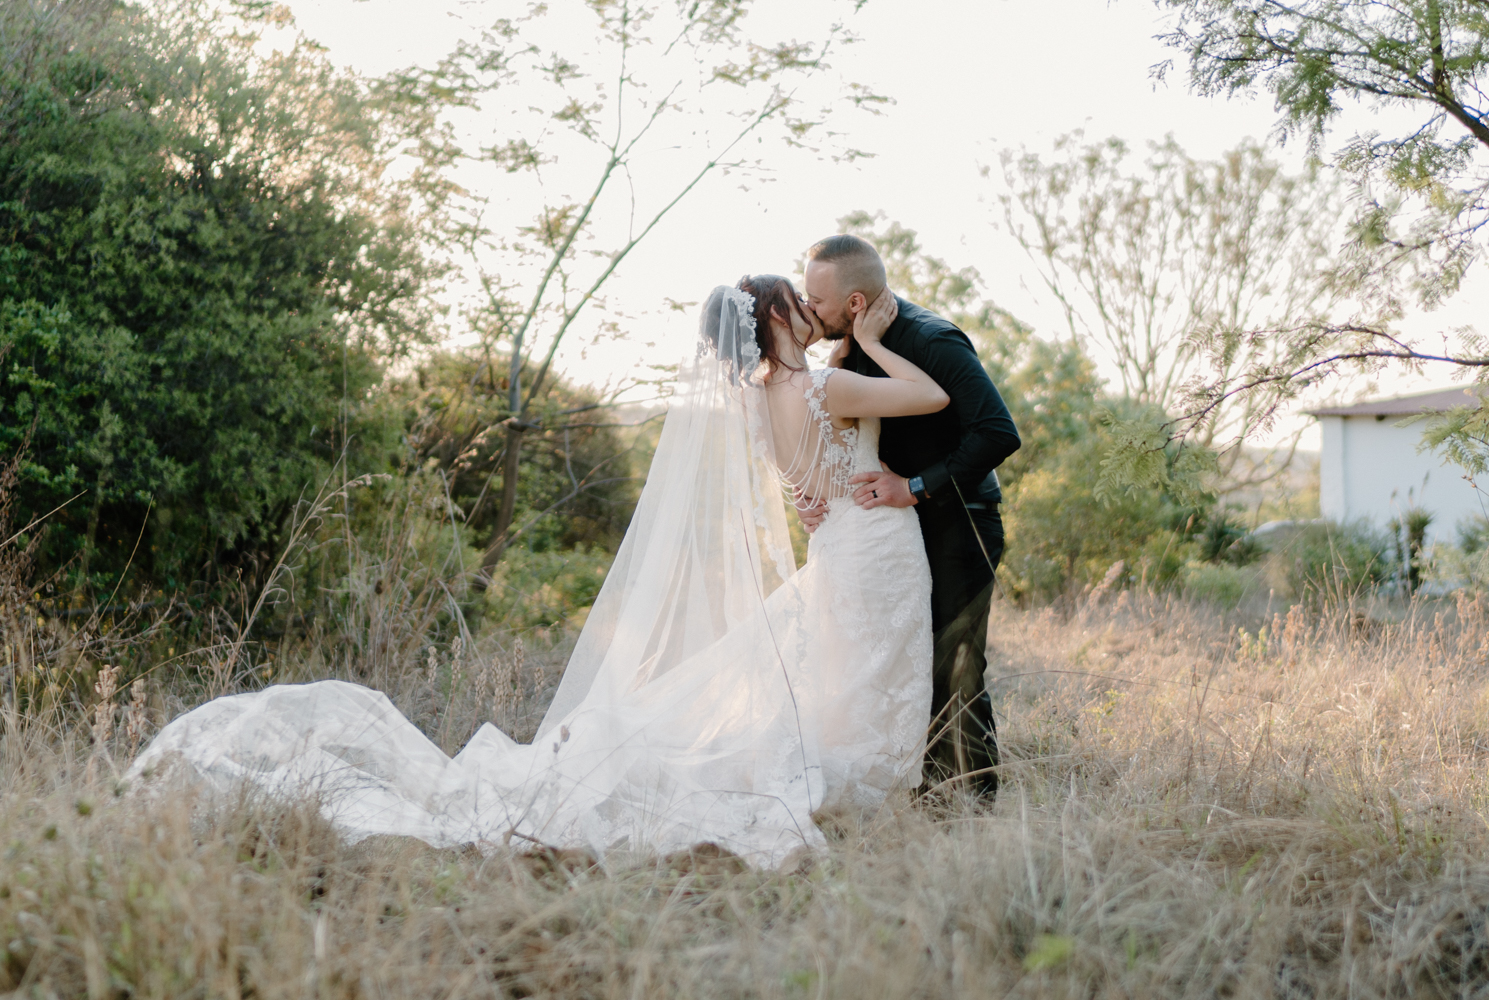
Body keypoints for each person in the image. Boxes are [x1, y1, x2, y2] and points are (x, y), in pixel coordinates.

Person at [129, 277, 951, 868]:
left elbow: (808, 481)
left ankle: (854, 786)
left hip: (838, 542)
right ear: (774, 315)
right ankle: (874, 792)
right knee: (851, 672)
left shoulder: (757, 401)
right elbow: (930, 396)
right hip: (861, 544)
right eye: (798, 301)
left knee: (835, 671)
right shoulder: (826, 385)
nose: (811, 311)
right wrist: (877, 343)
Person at [800, 235, 1021, 795]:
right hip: (895, 527)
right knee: (910, 656)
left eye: (816, 301)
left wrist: (916, 487)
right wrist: (813, 495)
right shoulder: (850, 348)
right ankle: (920, 791)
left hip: (960, 518)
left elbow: (998, 432)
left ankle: (972, 803)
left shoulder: (931, 339)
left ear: (854, 303)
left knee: (954, 661)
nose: (809, 309)